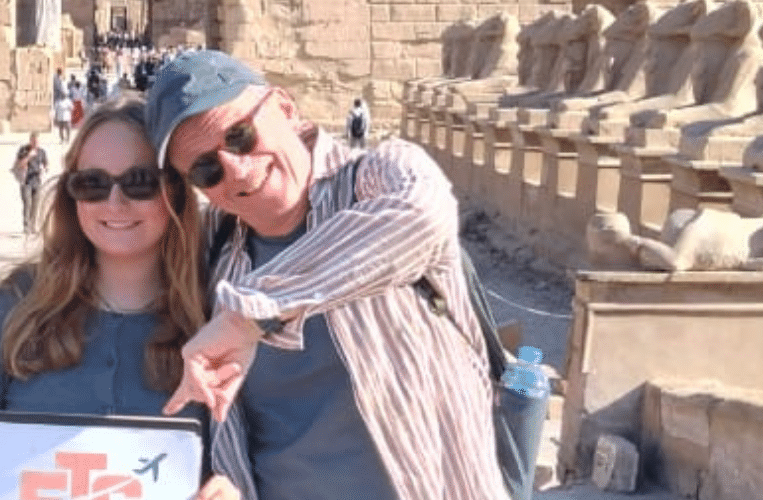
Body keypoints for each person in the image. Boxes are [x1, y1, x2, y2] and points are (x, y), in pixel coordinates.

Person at [145, 51, 509, 500]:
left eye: (240, 136)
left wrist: (250, 314)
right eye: (206, 169)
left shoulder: (381, 176)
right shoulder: (216, 257)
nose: (236, 168)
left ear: (285, 107)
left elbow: (424, 218)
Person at [0, 95, 249, 500]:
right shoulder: (16, 307)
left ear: (175, 192)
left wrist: (228, 491)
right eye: (92, 184)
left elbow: (247, 460)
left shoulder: (219, 320)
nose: (115, 203)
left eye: (140, 182)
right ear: (71, 195)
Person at [13, 131, 48, 234]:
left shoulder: (42, 152)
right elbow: (20, 164)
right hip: (25, 181)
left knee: (35, 206)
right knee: (27, 204)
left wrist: (45, 168)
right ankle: (26, 226)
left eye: (37, 141)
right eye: (33, 141)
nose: (35, 143)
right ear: (30, 140)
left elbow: (46, 163)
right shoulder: (24, 150)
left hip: (37, 181)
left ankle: (33, 226)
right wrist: (29, 156)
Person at [53, 68, 72, 143]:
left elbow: (71, 108)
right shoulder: (56, 78)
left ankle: (67, 138)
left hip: (66, 116)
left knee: (67, 127)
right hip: (61, 116)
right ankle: (62, 139)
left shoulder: (67, 101)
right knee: (61, 128)